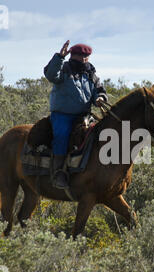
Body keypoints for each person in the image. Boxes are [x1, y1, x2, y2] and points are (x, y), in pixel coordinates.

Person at [44, 40, 108, 189]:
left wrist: (100, 98)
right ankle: (59, 172)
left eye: (86, 56)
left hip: (84, 116)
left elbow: (100, 90)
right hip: (62, 115)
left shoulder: (91, 74)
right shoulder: (63, 69)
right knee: (62, 135)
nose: (84, 59)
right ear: (73, 56)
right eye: (81, 56)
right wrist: (59, 57)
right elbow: (51, 74)